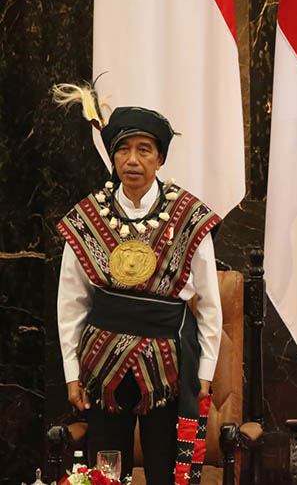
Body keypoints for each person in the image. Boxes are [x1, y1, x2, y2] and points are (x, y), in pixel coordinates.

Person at [54, 85, 223, 485]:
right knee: (106, 469)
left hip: (168, 364)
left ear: (160, 157)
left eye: (144, 149)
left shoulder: (188, 216)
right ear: (112, 156)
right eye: (123, 149)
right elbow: (72, 303)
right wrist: (71, 372)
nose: (133, 160)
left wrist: (206, 369)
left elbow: (210, 302)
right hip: (101, 363)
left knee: (166, 468)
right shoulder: (87, 218)